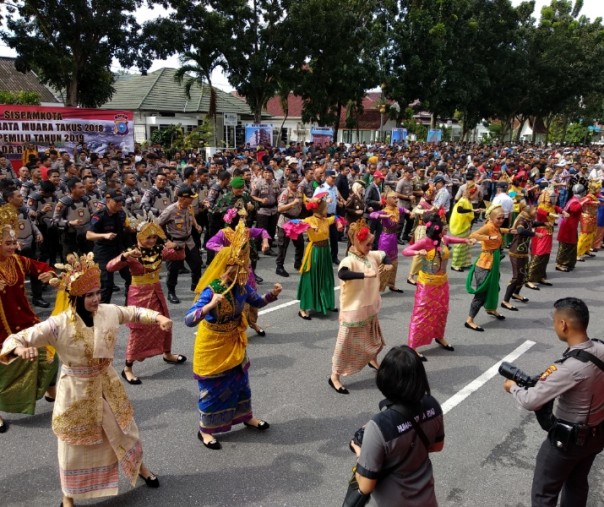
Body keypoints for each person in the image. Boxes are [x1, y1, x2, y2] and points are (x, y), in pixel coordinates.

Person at [0, 253, 171, 506]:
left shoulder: (108, 312)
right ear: (75, 297)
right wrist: (17, 350)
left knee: (127, 431)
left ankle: (140, 468)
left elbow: (133, 311)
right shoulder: (59, 324)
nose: (95, 299)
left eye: (97, 292)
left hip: (107, 384)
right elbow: (18, 338)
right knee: (74, 447)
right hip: (76, 392)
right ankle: (68, 496)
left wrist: (157, 318)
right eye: (88, 295)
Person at [185, 219, 282, 450]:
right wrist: (208, 307)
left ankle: (246, 417)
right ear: (226, 266)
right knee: (212, 389)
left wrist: (273, 294)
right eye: (238, 266)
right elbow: (189, 320)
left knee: (241, 382)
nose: (243, 270)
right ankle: (205, 430)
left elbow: (256, 301)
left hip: (235, 341)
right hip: (213, 345)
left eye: (244, 266)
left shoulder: (241, 287)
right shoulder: (211, 290)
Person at [503, 297, 604, 507]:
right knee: (577, 485)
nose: (554, 325)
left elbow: (531, 400)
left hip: (566, 443)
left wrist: (512, 387)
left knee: (544, 494)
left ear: (563, 324)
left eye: (554, 320)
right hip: (596, 436)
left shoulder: (569, 367)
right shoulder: (600, 348)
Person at [348, 345, 445, 507]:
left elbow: (365, 486)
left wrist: (360, 453)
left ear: (385, 380)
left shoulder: (379, 426)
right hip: (427, 500)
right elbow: (437, 446)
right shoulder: (432, 405)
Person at [106, 217, 187, 384]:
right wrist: (125, 256)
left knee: (165, 322)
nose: (151, 241)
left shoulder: (158, 249)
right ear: (139, 237)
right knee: (139, 329)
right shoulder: (131, 252)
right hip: (138, 294)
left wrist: (177, 246)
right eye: (147, 237)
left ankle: (167, 353)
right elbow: (110, 267)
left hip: (156, 291)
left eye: (154, 237)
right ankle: (127, 367)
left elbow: (178, 256)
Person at [0, 204, 58, 433]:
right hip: (2, 328)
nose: (14, 246)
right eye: (8, 243)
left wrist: (50, 274)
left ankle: (50, 388)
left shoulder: (17, 261)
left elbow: (40, 266)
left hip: (25, 319)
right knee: (5, 367)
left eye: (15, 242)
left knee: (51, 348)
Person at [329, 220, 391, 394]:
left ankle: (372, 359)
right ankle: (334, 376)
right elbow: (343, 273)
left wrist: (387, 263)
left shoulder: (371, 255)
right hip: (353, 310)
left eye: (371, 243)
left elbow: (383, 254)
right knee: (344, 346)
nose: (370, 247)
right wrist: (365, 274)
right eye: (367, 244)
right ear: (356, 242)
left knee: (374, 339)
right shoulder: (349, 260)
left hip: (370, 307)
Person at [403, 213, 475, 359]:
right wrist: (418, 251)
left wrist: (466, 240)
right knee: (422, 313)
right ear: (437, 230)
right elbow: (406, 251)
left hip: (442, 282)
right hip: (427, 284)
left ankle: (439, 335)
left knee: (442, 310)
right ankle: (413, 345)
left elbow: (453, 239)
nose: (446, 231)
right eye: (444, 229)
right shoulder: (426, 241)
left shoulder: (443, 240)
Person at [204, 206, 271, 337]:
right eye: (241, 218)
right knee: (236, 300)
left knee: (252, 299)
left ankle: (253, 322)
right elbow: (209, 244)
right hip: (231, 272)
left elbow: (262, 231)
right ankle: (239, 327)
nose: (244, 220)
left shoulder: (246, 231)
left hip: (247, 271)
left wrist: (265, 242)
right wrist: (226, 251)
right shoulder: (223, 233)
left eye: (245, 218)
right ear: (232, 219)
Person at [284, 194, 344, 320]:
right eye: (325, 208)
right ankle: (303, 308)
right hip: (315, 252)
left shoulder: (325, 220)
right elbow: (292, 223)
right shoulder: (309, 220)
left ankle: (327, 302)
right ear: (319, 209)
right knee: (310, 278)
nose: (327, 210)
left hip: (325, 251)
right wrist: (309, 226)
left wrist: (338, 223)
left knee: (325, 277)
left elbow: (337, 217)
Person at [465, 204, 511, 331]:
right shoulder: (488, 227)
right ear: (492, 218)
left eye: (503, 218)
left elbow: (500, 231)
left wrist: (511, 230)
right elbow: (473, 235)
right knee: (481, 293)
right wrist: (489, 237)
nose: (501, 221)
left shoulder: (496, 227)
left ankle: (491, 309)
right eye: (499, 218)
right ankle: (469, 320)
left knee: (494, 288)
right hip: (484, 264)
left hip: (493, 262)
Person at [158, 185, 203, 304]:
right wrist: (166, 241)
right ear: (182, 198)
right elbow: (157, 225)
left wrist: (196, 225)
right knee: (173, 270)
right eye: (190, 197)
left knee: (197, 264)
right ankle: (171, 292)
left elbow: (191, 216)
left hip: (189, 241)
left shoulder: (189, 207)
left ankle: (195, 286)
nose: (193, 199)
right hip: (176, 243)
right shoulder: (170, 210)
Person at [86, 189, 132, 303]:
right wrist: (104, 235)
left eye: (121, 201)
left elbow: (125, 229)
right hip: (103, 252)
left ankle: (129, 305)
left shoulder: (121, 213)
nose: (120, 204)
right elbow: (89, 235)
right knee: (106, 285)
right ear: (108, 200)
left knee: (131, 277)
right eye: (116, 202)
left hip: (119, 249)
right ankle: (102, 311)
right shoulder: (99, 215)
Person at [500, 202, 541, 311]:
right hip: (516, 251)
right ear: (528, 212)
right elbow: (520, 230)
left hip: (523, 251)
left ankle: (516, 294)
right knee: (517, 276)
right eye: (534, 211)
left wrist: (544, 224)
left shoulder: (528, 219)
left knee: (523, 275)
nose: (536, 212)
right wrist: (535, 234)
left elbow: (533, 224)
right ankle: (505, 301)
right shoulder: (522, 220)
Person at [369, 192, 408, 293]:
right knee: (384, 263)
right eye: (394, 198)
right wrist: (382, 217)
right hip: (385, 239)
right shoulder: (384, 211)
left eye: (396, 197)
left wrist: (409, 211)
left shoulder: (396, 209)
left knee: (394, 262)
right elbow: (372, 214)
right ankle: (377, 287)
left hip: (394, 238)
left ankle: (391, 284)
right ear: (387, 200)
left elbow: (403, 209)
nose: (397, 199)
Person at [525, 189, 561, 290]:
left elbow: (558, 208)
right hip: (541, 232)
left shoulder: (552, 206)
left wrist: (564, 212)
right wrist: (552, 215)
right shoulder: (541, 207)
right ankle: (529, 279)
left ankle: (540, 276)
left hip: (549, 232)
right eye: (550, 199)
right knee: (538, 254)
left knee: (546, 255)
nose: (551, 201)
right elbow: (542, 212)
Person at [555, 184, 584, 272]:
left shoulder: (574, 199)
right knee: (565, 246)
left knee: (572, 245)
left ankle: (569, 262)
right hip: (568, 227)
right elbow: (574, 209)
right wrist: (582, 202)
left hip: (571, 226)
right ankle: (560, 264)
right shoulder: (575, 201)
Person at [449, 184, 478, 272]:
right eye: (475, 194)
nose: (475, 196)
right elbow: (459, 210)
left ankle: (465, 263)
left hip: (465, 226)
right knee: (459, 246)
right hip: (460, 227)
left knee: (466, 245)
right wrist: (472, 210)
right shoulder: (463, 200)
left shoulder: (467, 201)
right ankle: (455, 264)